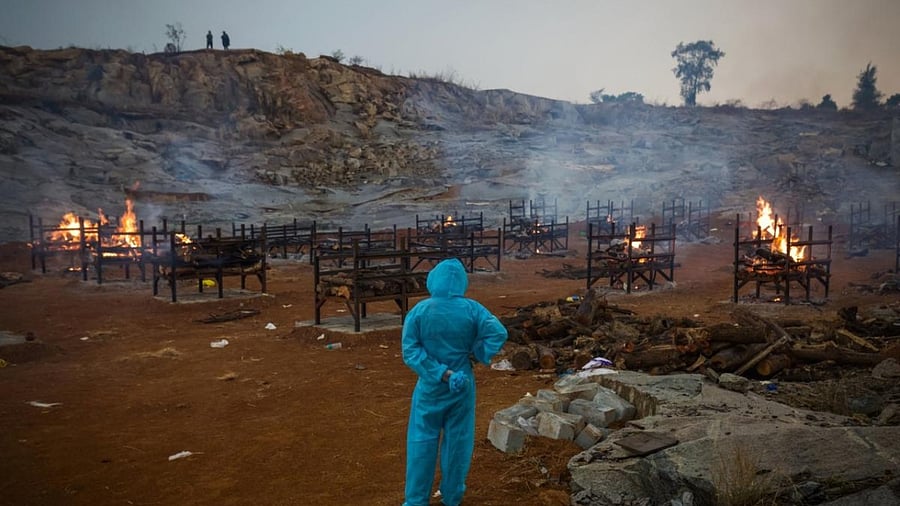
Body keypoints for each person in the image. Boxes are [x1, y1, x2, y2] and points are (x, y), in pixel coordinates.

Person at [401, 258, 508, 506]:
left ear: (433, 280)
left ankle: (416, 500)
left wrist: (439, 372)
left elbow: (410, 351)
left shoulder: (419, 311)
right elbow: (498, 332)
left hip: (430, 387)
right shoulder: (473, 309)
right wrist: (477, 353)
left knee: (421, 440)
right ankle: (452, 496)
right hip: (462, 385)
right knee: (458, 441)